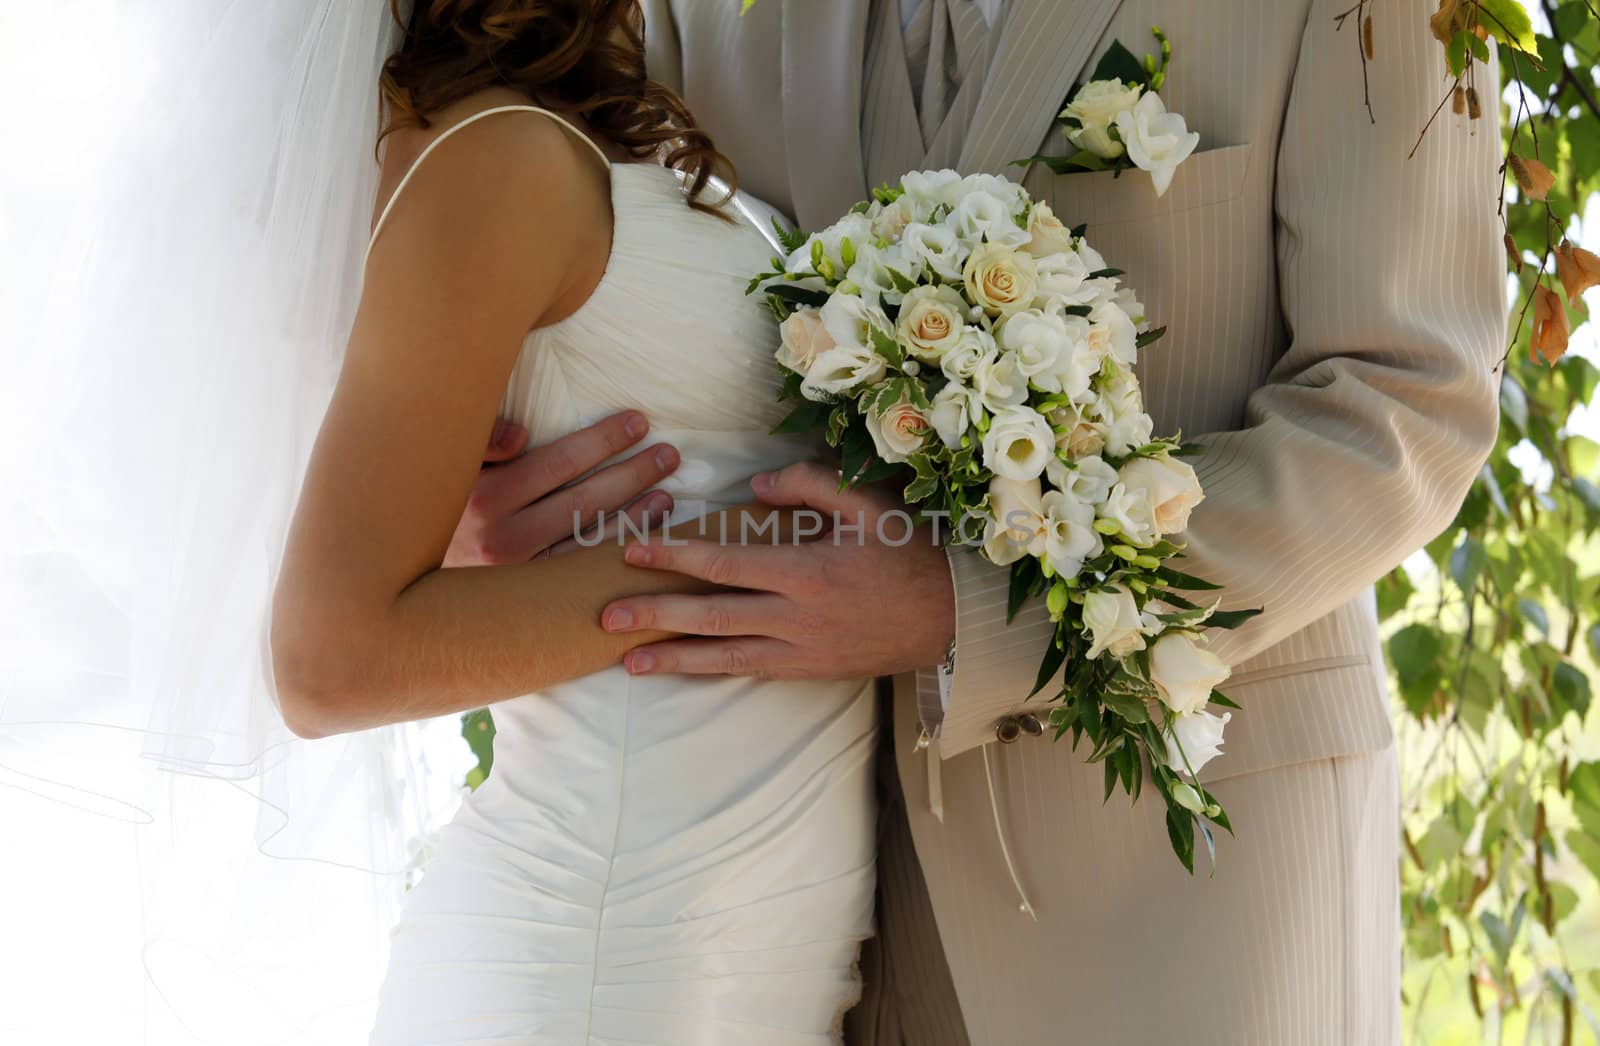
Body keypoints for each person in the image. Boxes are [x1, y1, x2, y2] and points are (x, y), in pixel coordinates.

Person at [453, 1, 1509, 1042]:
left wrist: (967, 603)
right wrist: (471, 492)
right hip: (763, 915)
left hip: (1184, 908)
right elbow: (553, 276)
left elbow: (1404, 404)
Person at [270, 2, 890, 1040]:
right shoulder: (496, 156)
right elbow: (329, 660)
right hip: (606, 948)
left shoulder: (599, 125)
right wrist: (766, 552)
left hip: (738, 941)